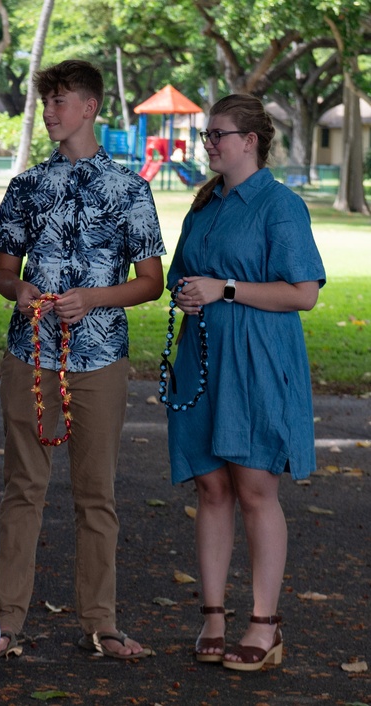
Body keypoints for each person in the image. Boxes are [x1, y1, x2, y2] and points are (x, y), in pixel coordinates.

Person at [0, 60, 164, 660]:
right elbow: (5, 274)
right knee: (21, 491)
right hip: (28, 354)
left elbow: (151, 282)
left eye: (60, 102)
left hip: (100, 359)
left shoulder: (129, 189)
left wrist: (93, 298)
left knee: (96, 496)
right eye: (46, 103)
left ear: (89, 107)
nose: (50, 113)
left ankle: (102, 624)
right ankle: (5, 623)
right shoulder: (26, 186)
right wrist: (22, 293)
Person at [166, 94, 324, 671]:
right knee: (211, 489)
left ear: (250, 140)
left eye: (218, 135)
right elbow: (186, 273)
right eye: (206, 135)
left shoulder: (280, 206)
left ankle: (264, 624)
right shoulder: (204, 206)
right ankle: (212, 616)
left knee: (255, 492)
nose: (209, 144)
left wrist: (225, 288)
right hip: (202, 357)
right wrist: (188, 293)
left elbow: (303, 293)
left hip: (257, 359)